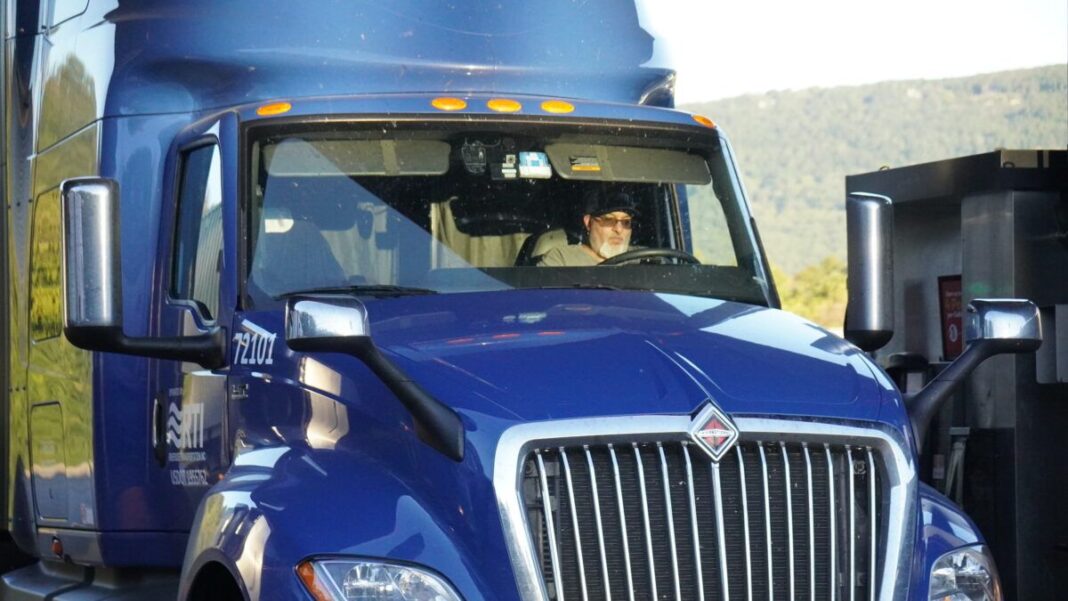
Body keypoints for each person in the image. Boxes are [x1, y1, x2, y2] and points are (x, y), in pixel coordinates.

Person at [538, 188, 638, 266]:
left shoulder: (643, 259)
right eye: (609, 220)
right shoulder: (562, 260)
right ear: (588, 222)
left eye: (626, 222)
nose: (619, 229)